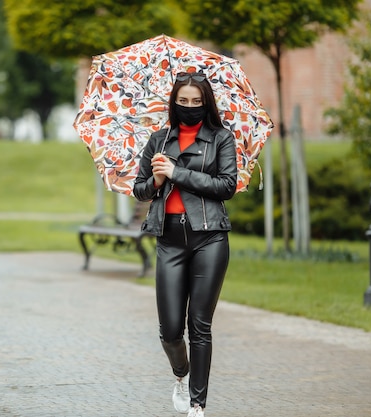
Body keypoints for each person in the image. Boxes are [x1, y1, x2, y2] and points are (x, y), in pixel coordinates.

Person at [133, 71, 237, 416]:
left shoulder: (221, 138)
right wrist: (157, 179)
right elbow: (139, 190)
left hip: (210, 238)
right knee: (170, 329)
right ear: (174, 103)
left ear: (206, 103)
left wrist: (178, 174)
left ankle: (197, 404)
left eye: (197, 101)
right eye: (184, 101)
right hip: (170, 240)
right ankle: (181, 373)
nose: (190, 107)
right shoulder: (158, 140)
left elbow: (226, 186)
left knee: (200, 326)